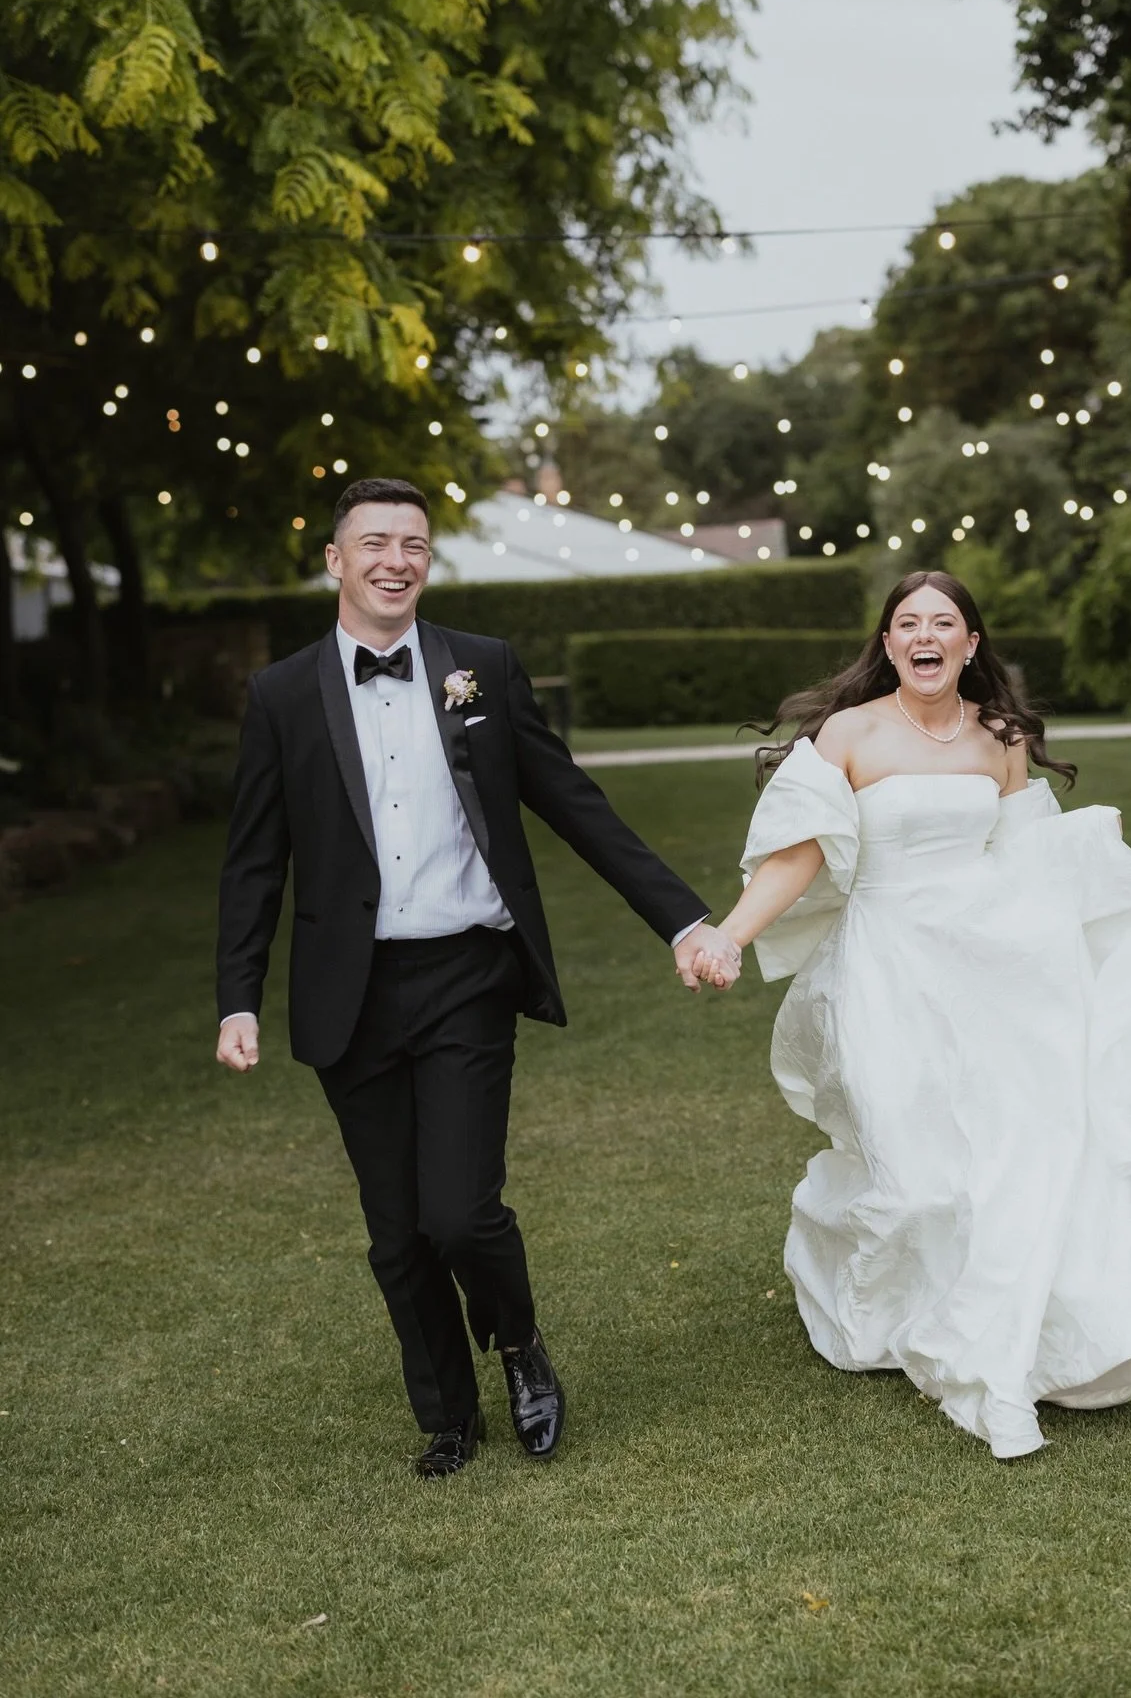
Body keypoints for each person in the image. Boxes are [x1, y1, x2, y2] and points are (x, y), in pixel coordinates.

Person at [691, 570, 1131, 1460]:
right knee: (917, 1168)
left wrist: (1110, 931)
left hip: (993, 971)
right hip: (885, 972)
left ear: (971, 645)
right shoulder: (849, 734)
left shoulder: (1000, 739)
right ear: (887, 645)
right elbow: (798, 855)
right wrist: (730, 936)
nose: (924, 636)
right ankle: (888, 1303)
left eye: (944, 623)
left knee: (1015, 1159)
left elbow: (1033, 860)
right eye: (906, 623)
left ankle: (997, 1351)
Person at [214, 477, 739, 1477]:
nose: (395, 560)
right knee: (398, 1234)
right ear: (335, 561)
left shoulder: (482, 670)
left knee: (459, 1210)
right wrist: (238, 994)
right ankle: (447, 1416)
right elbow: (252, 859)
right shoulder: (281, 696)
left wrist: (681, 916)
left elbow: (572, 801)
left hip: (465, 972)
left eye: (413, 543)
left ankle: (520, 1348)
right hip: (349, 991)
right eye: (374, 542)